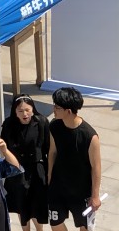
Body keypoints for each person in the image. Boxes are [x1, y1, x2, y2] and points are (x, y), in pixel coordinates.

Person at [48, 87, 102, 231]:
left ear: (68, 111)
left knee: (85, 227)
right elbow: (52, 152)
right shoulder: (54, 126)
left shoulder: (89, 136)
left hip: (81, 191)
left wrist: (95, 196)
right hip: (58, 187)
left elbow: (96, 167)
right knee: (55, 223)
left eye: (57, 107)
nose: (54, 109)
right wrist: (49, 177)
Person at [0, 95, 50, 231]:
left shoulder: (42, 122)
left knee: (36, 205)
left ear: (33, 109)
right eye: (20, 111)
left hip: (37, 169)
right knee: (21, 205)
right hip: (17, 170)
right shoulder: (9, 124)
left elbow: (48, 148)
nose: (25, 114)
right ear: (15, 112)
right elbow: (5, 147)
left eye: (27, 110)